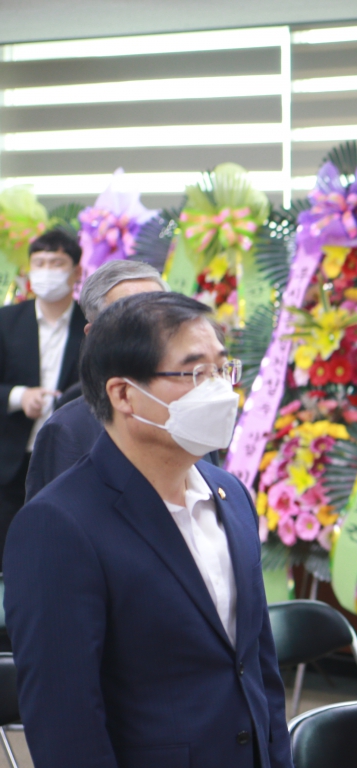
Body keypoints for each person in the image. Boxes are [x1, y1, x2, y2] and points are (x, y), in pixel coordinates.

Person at [3, 292, 291, 768]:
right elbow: (65, 719)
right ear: (123, 394)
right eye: (195, 372)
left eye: (222, 368)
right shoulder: (60, 523)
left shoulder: (230, 494)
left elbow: (258, 666)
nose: (220, 388)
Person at [25, 259, 170, 501]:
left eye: (160, 314)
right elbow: (49, 527)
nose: (150, 329)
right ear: (94, 335)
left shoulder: (187, 410)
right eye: (130, 317)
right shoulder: (69, 430)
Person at [0, 230, 86, 560]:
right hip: (10, 463)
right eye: (40, 263)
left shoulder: (92, 325)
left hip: (70, 461)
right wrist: (18, 396)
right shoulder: (7, 321)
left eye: (57, 262)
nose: (47, 270)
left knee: (57, 552)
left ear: (77, 271)